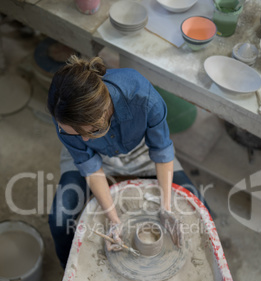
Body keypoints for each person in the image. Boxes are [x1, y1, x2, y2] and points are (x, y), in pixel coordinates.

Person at [47, 55, 205, 268]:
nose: (81, 138)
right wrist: (114, 220)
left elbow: (161, 150)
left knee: (201, 210)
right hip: (92, 156)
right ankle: (68, 273)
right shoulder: (66, 121)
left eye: (88, 131)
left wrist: (165, 208)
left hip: (141, 150)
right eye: (73, 132)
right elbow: (90, 166)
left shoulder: (141, 95)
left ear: (103, 114)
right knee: (59, 220)